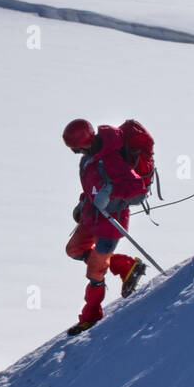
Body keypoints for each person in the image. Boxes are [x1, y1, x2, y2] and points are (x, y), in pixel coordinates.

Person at [62, 118, 152, 336]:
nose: (75, 152)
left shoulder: (111, 159)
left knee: (95, 271)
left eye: (74, 148)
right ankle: (126, 265)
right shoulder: (88, 160)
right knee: (74, 250)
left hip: (112, 222)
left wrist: (109, 193)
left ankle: (90, 317)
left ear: (83, 142)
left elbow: (138, 189)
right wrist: (83, 202)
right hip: (92, 216)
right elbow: (90, 185)